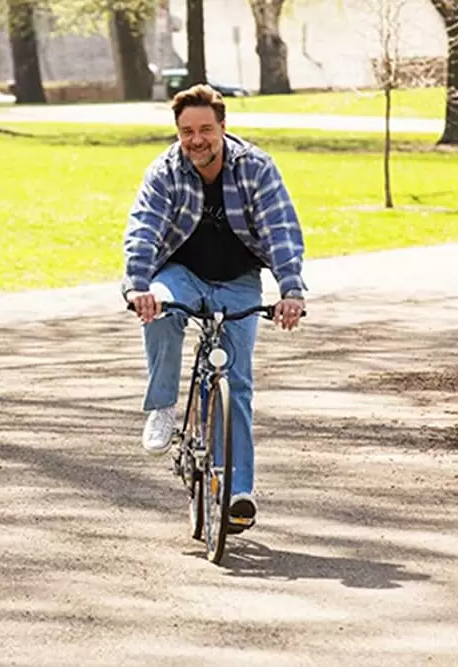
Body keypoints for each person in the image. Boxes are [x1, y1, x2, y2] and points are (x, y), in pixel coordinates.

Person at [122, 84, 307, 525]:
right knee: (160, 309)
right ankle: (163, 407)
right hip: (180, 275)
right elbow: (144, 230)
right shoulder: (165, 171)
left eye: (206, 129)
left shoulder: (255, 168)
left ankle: (239, 493)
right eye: (187, 131)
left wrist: (291, 291)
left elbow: (281, 230)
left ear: (223, 127)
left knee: (237, 384)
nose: (197, 139)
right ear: (178, 132)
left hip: (239, 282)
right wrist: (137, 286)